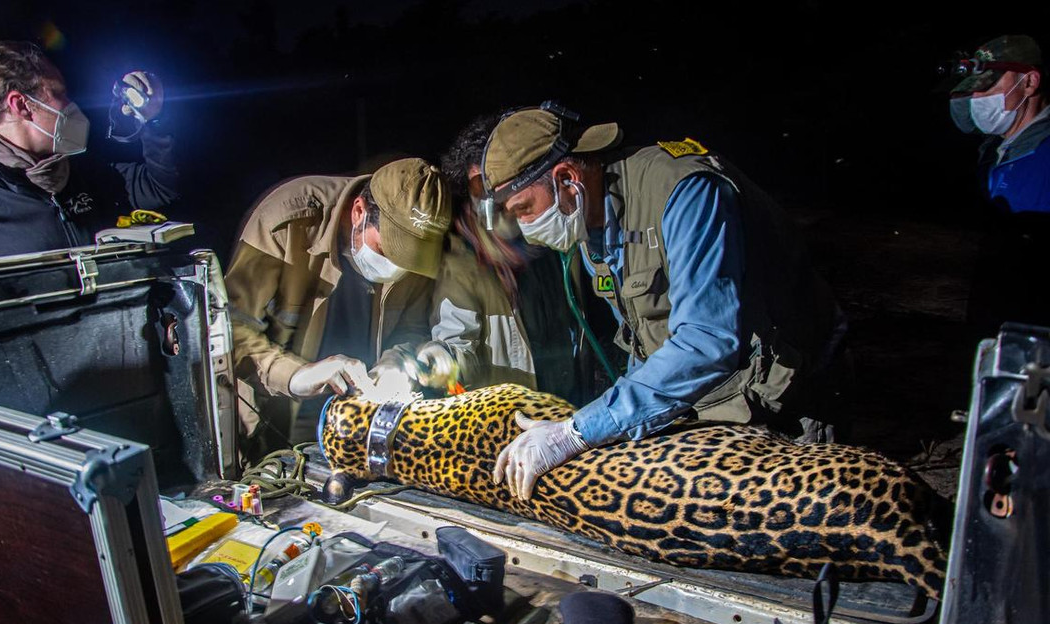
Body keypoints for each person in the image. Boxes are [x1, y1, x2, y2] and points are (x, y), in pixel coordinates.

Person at [480, 104, 845, 500]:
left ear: (567, 178)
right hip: (712, 395)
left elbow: (707, 339)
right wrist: (618, 421)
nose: (525, 227)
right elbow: (645, 334)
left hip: (788, 390)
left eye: (525, 209)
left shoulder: (686, 191)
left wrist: (577, 432)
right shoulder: (590, 217)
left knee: (799, 524)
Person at [224, 157, 451, 459]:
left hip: (355, 426)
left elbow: (412, 327)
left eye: (410, 261)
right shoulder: (288, 219)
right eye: (388, 250)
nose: (398, 267)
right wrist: (295, 375)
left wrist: (396, 360)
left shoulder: (422, 251)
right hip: (273, 417)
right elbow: (229, 329)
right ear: (360, 212)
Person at [0, 41, 179, 262]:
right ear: (21, 104)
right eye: (59, 93)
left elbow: (160, 187)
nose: (70, 104)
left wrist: (155, 121)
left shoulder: (76, 172)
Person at [422, 113, 602, 404]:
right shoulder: (463, 260)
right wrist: (443, 357)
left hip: (567, 407)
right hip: (510, 420)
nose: (494, 198)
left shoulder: (559, 234)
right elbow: (456, 339)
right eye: (482, 187)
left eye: (503, 184)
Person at [948, 34, 1050, 214]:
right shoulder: (994, 152)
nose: (976, 97)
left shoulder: (1043, 155)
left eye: (987, 86)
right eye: (973, 88)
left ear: (1029, 81)